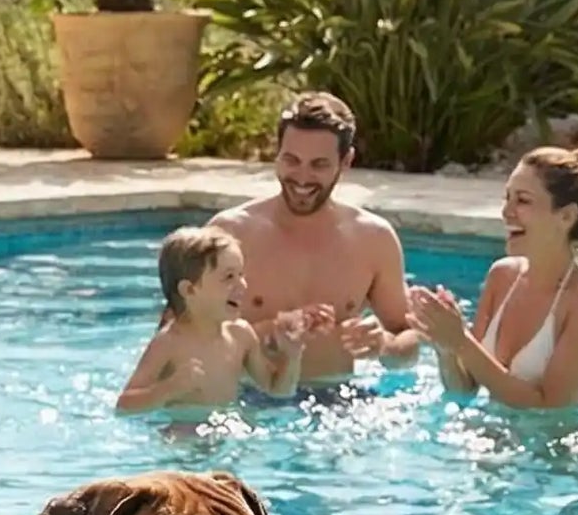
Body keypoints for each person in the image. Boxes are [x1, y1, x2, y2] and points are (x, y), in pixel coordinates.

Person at [208, 91, 421, 382]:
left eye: (319, 165)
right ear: (277, 154)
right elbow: (177, 338)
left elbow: (408, 343)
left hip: (336, 404)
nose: (303, 178)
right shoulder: (231, 232)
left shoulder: (374, 239)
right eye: (292, 160)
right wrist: (271, 331)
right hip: (248, 400)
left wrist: (384, 344)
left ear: (346, 162)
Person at [408, 146, 578, 410]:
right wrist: (446, 346)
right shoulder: (502, 276)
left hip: (549, 449)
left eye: (522, 201)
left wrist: (461, 341)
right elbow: (464, 388)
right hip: (484, 441)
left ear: (566, 216)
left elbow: (548, 407)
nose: (506, 211)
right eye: (506, 198)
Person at [117, 226, 308, 413]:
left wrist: (292, 355)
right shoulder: (169, 343)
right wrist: (169, 388)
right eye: (228, 277)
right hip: (182, 432)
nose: (242, 284)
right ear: (189, 290)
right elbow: (124, 405)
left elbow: (278, 391)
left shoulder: (241, 335)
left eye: (241, 274)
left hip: (227, 428)